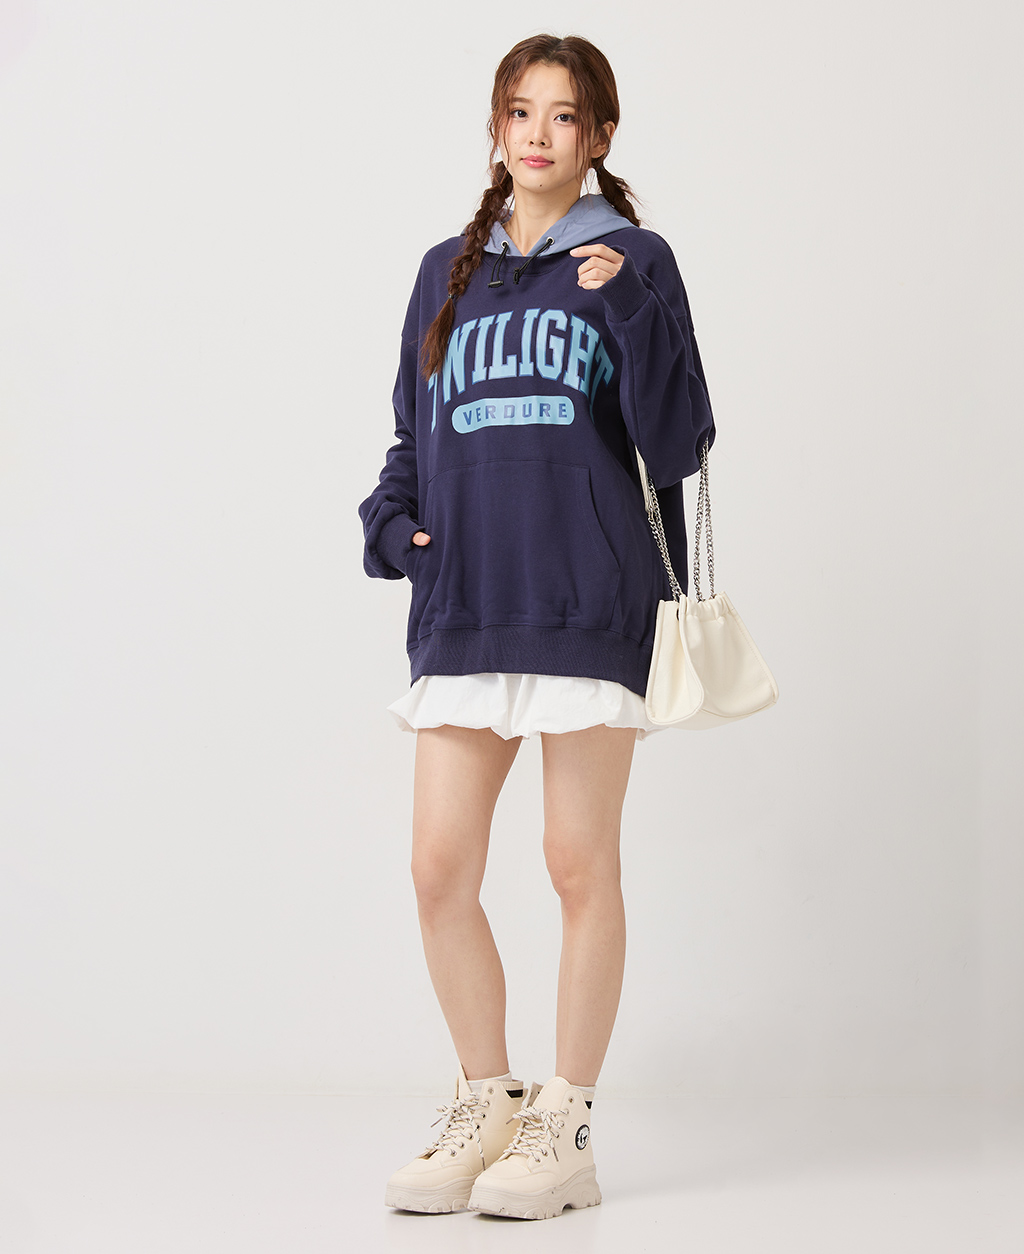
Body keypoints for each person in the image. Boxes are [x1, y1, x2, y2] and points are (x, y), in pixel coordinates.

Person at [358, 32, 716, 1221]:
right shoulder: (444, 272)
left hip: (585, 600)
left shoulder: (632, 260)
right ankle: (486, 1103)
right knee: (437, 869)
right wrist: (394, 526)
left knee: (576, 864)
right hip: (465, 604)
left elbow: (679, 442)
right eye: (520, 111)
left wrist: (632, 312)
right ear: (497, 126)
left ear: (599, 136)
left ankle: (566, 1126)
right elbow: (412, 436)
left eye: (564, 116)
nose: (539, 134)